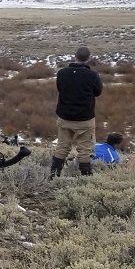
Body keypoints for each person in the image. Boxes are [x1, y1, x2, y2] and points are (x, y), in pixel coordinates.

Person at [50, 47, 103, 177]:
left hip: (64, 117)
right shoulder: (92, 75)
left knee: (62, 147)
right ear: (89, 58)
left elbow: (60, 88)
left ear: (75, 56)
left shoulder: (62, 73)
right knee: (85, 150)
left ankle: (54, 175)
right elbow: (98, 92)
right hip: (85, 119)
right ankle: (86, 178)